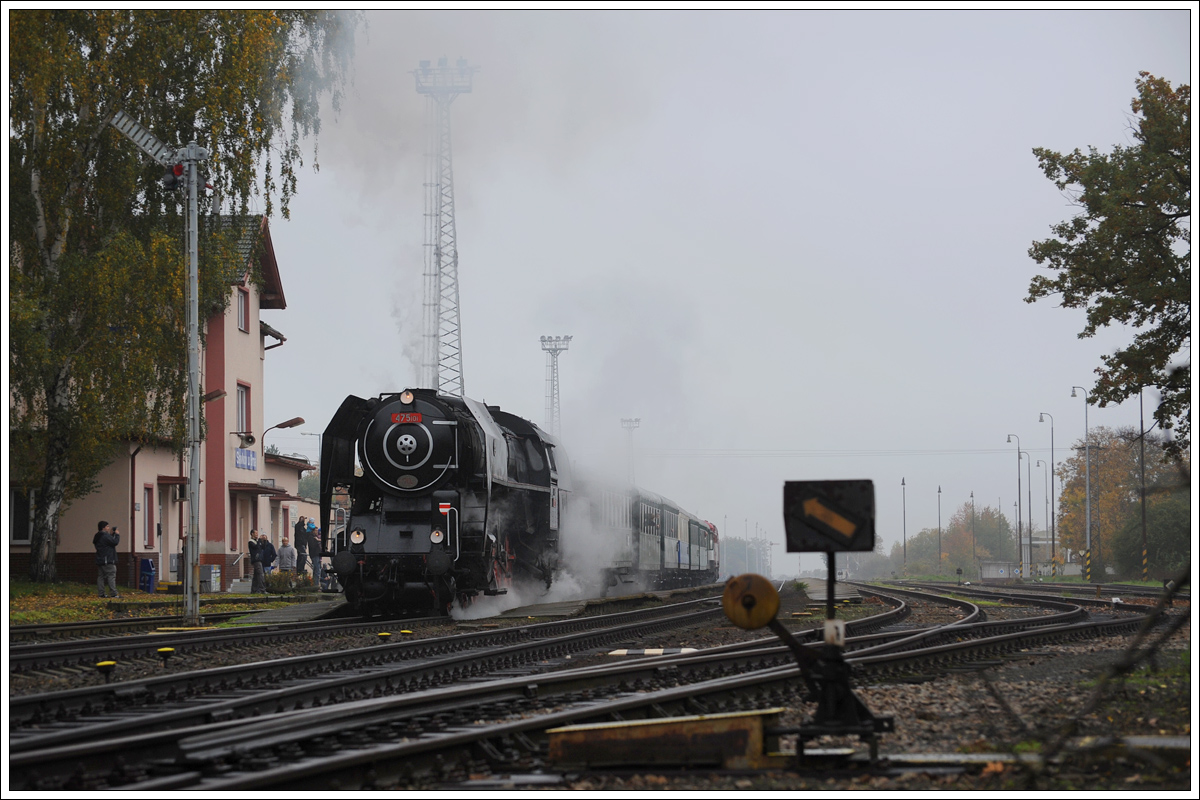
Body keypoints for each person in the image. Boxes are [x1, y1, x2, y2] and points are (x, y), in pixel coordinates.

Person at [93, 520, 121, 598]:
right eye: (107, 526)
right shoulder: (105, 536)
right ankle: (113, 593)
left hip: (100, 559)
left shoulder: (97, 536)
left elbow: (108, 542)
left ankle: (101, 593)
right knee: (111, 575)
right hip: (107, 560)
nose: (108, 528)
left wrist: (111, 535)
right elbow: (114, 542)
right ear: (103, 527)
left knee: (101, 577)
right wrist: (117, 535)